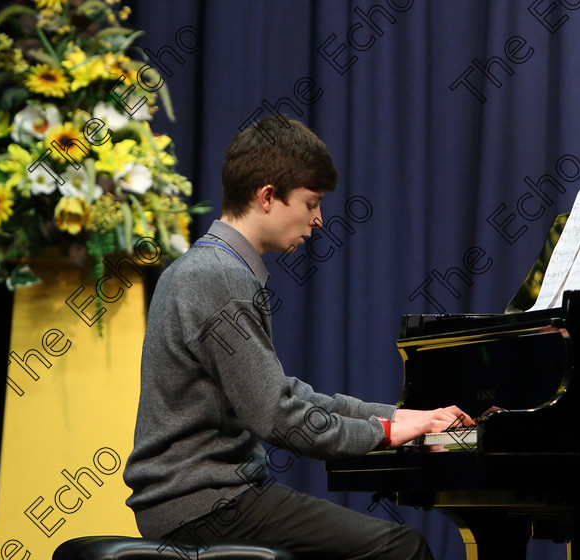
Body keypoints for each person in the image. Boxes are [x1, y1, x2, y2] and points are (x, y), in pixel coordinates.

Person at [122, 114, 473, 559]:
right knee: (401, 548)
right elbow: (281, 418)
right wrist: (382, 432)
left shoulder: (203, 268)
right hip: (205, 504)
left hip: (193, 500)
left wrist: (401, 418)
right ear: (267, 196)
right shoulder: (218, 278)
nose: (320, 220)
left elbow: (286, 395)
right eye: (311, 203)